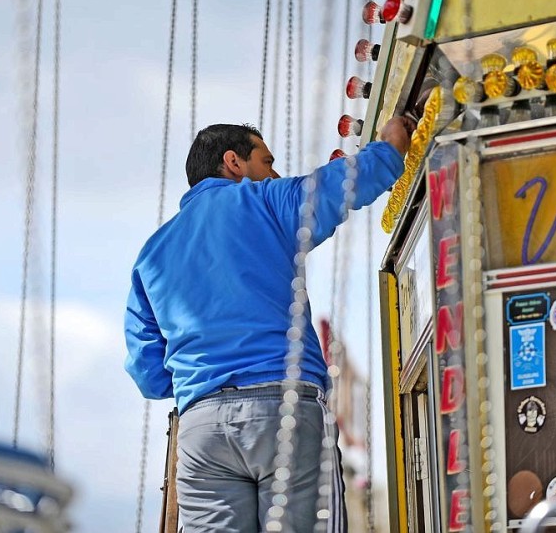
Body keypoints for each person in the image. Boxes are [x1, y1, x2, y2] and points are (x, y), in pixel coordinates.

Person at [124, 116, 412, 532]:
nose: (274, 173)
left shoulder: (151, 254)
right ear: (233, 163)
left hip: (201, 428)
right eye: (266, 160)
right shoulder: (264, 201)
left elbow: (149, 375)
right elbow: (339, 185)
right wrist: (390, 147)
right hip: (283, 410)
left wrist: (206, 374)